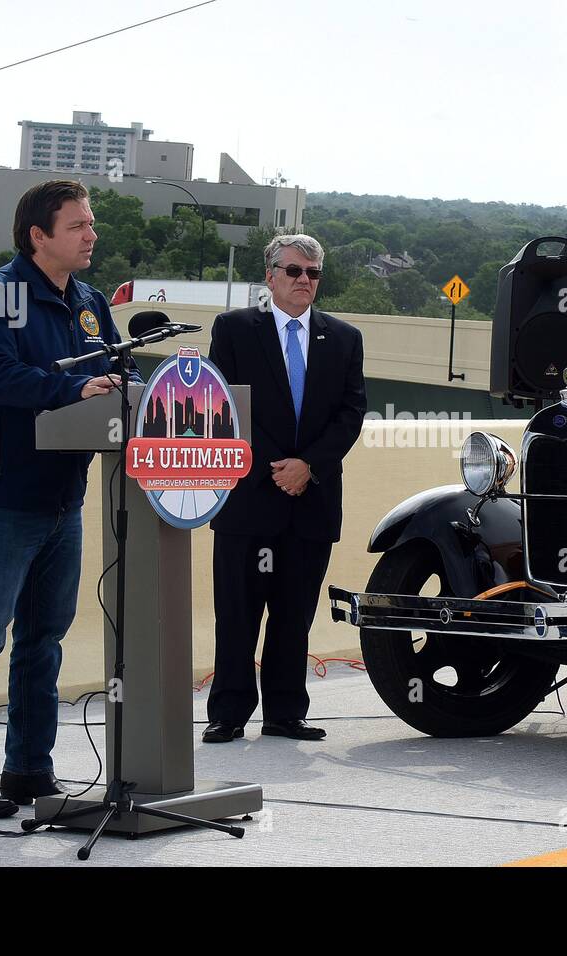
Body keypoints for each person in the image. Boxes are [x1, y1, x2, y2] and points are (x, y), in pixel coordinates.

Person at [0, 180, 136, 817]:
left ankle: (30, 770)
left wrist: (136, 382)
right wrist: (74, 390)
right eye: (78, 225)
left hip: (63, 498)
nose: (91, 234)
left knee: (43, 641)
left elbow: (107, 367)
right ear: (38, 236)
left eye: (90, 224)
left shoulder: (87, 300)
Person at [203, 234, 366, 743]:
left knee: (294, 615)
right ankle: (227, 713)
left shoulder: (343, 338)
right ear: (270, 275)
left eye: (313, 274)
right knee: (238, 612)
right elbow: (222, 404)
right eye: (294, 271)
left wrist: (307, 466)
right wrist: (278, 466)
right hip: (250, 496)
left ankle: (284, 712)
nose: (304, 281)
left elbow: (350, 413)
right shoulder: (234, 329)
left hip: (311, 499)